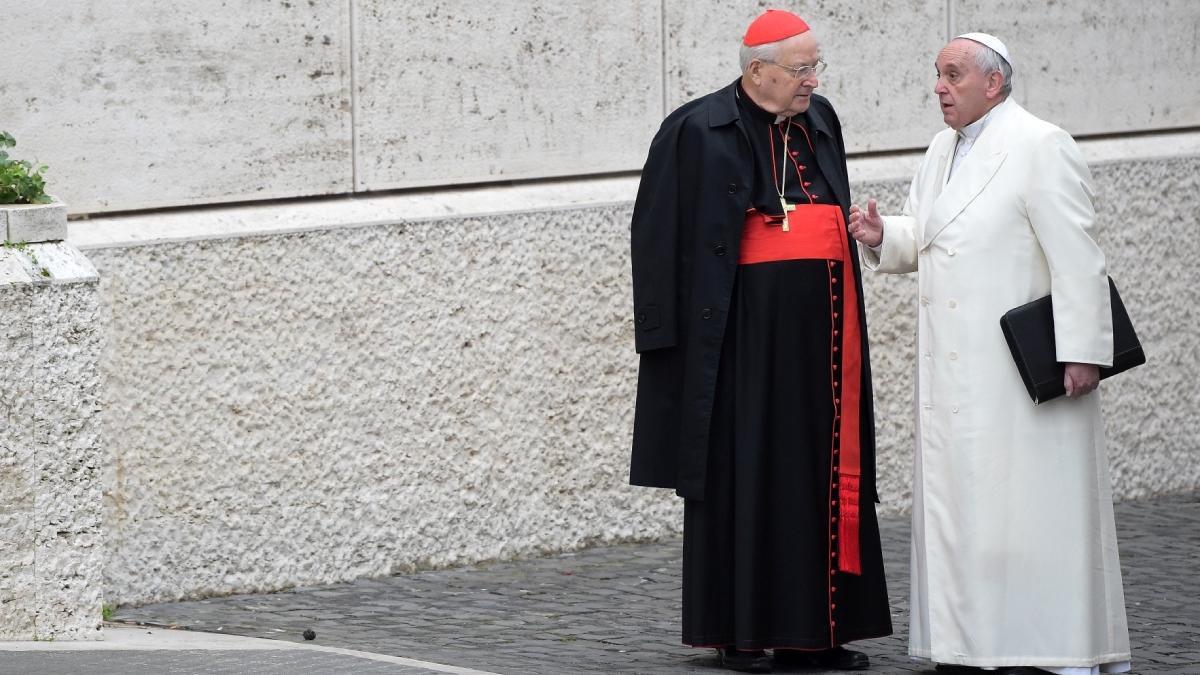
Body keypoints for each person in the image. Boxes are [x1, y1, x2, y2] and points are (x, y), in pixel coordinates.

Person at [848, 33, 1131, 675]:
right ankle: (971, 645)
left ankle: (1062, 650)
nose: (939, 88)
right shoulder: (942, 147)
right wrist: (882, 234)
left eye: (952, 75)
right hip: (955, 370)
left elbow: (1078, 257)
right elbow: (929, 228)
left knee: (1037, 513)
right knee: (969, 514)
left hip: (1021, 371)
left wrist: (1083, 350)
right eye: (937, 74)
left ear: (993, 84)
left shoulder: (1040, 143)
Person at [628, 9, 892, 673]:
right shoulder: (696, 128)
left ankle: (817, 634)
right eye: (800, 69)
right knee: (743, 477)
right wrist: (663, 343)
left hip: (824, 347)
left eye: (814, 67)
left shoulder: (822, 118)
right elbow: (655, 234)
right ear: (757, 72)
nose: (812, 80)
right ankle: (740, 632)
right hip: (740, 350)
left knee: (821, 477)